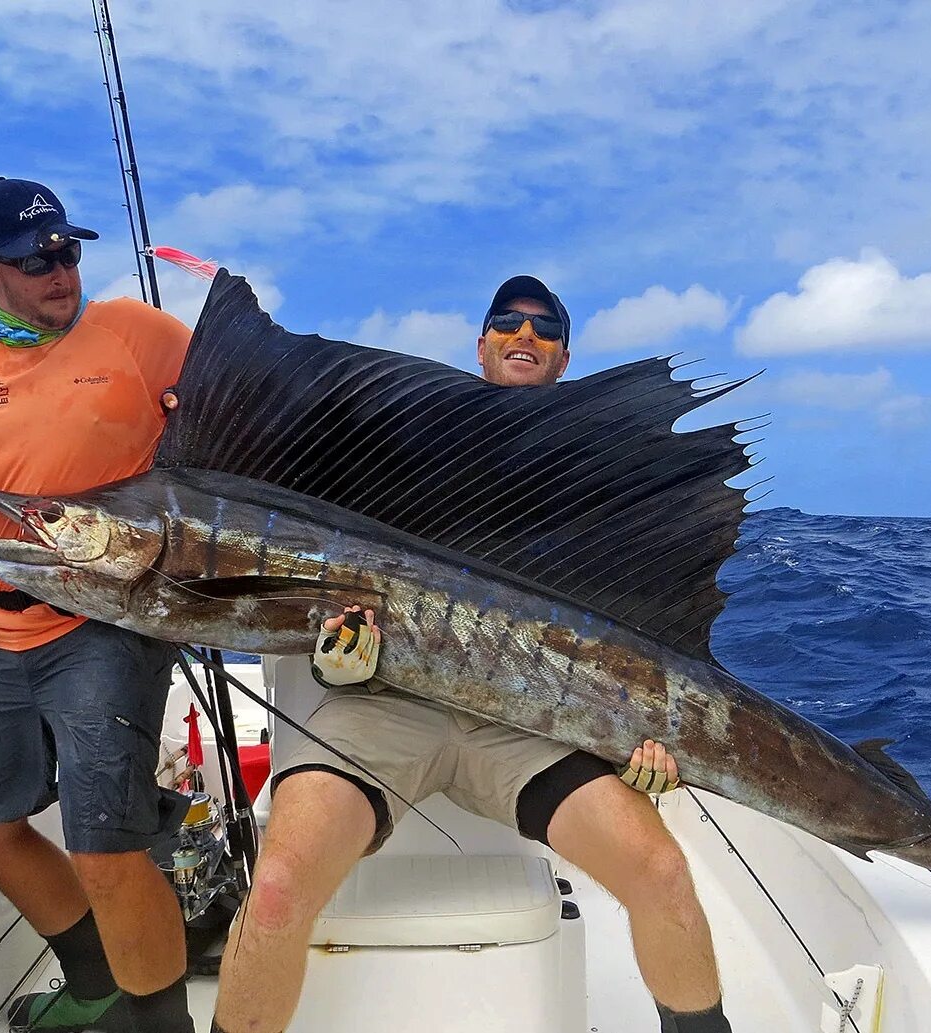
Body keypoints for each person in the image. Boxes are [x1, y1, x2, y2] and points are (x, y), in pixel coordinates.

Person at [212, 276, 730, 1033]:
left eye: (545, 326)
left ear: (563, 357)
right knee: (281, 887)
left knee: (661, 871)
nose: (525, 333)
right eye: (506, 321)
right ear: (481, 343)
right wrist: (336, 658)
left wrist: (632, 742)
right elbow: (305, 603)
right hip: (381, 707)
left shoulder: (590, 476)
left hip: (522, 724)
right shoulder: (402, 448)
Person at [0, 176, 196, 1033]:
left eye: (68, 250)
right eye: (37, 260)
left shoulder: (138, 333)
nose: (61, 271)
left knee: (107, 847)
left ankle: (160, 1020)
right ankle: (97, 976)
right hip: (2, 624)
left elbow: (236, 419)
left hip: (112, 617)